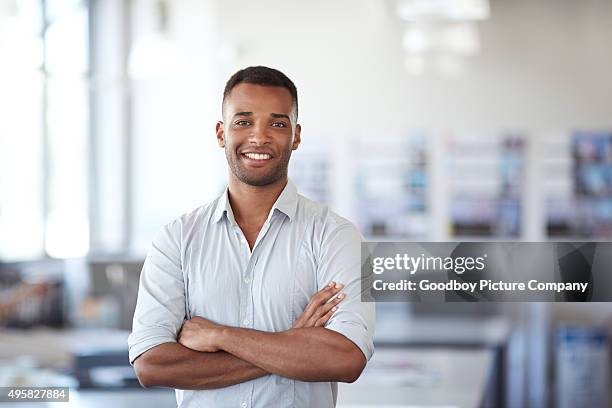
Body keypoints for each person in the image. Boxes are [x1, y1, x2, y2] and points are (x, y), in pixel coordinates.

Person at [128, 66, 375, 407]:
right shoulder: (177, 239)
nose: (259, 137)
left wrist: (220, 336)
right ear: (221, 133)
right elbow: (151, 364)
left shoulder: (336, 236)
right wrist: (293, 344)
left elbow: (345, 359)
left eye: (277, 123)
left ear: (296, 136)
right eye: (243, 121)